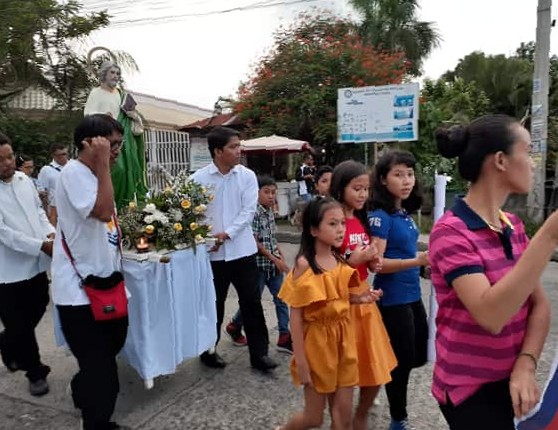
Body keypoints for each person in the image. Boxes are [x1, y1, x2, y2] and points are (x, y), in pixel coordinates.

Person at [429, 114, 555, 429]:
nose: (533, 162)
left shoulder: (513, 225)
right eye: (526, 152)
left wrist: (526, 364)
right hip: (469, 391)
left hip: (512, 378)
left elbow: (538, 304)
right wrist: (550, 236)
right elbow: (491, 314)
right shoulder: (450, 232)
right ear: (500, 160)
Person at [51, 114, 130, 430]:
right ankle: (96, 422)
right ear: (88, 144)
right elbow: (102, 211)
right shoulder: (73, 173)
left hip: (106, 284)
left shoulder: (93, 173)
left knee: (110, 351)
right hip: (80, 293)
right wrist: (102, 165)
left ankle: (83, 393)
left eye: (119, 145)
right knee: (104, 374)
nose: (117, 152)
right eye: (112, 145)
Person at [276, 196, 378, 430]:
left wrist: (358, 298)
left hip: (344, 342)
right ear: (313, 229)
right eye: (332, 224)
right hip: (317, 347)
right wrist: (300, 360)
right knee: (314, 419)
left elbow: (335, 296)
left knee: (342, 418)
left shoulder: (339, 259)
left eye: (342, 223)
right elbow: (297, 313)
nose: (340, 229)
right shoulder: (304, 265)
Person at [191, 126, 278, 372]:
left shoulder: (247, 176)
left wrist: (227, 233)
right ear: (218, 151)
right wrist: (207, 237)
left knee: (252, 303)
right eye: (233, 146)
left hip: (242, 252)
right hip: (213, 256)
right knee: (213, 305)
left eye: (239, 145)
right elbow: (192, 216)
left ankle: (259, 355)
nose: (238, 151)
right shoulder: (198, 180)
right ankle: (209, 350)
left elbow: (248, 211)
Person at [330, 160, 398, 430]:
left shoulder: (360, 219)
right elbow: (331, 252)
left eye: (365, 189)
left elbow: (362, 254)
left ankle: (361, 415)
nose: (362, 194)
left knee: (377, 368)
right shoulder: (332, 216)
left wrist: (372, 262)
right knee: (341, 374)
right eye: (356, 188)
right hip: (341, 299)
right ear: (340, 187)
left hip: (364, 298)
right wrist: (354, 257)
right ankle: (342, 422)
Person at [368, 150, 430, 430]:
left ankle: (379, 376)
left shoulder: (403, 212)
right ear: (383, 180)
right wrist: (417, 260)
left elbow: (405, 253)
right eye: (398, 174)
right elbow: (377, 265)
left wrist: (423, 268)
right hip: (392, 299)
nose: (406, 180)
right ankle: (398, 419)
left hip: (413, 294)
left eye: (410, 174)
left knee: (419, 354)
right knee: (402, 363)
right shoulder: (381, 215)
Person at [0, 132, 54, 397]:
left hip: (36, 265)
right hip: (6, 273)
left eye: (9, 156)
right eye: (1, 160)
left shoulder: (24, 181)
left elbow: (39, 212)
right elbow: (5, 234)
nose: (8, 163)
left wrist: (50, 234)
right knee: (19, 322)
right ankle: (35, 372)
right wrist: (40, 245)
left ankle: (7, 342)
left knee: (40, 304)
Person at [226, 175, 293, 353]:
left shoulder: (270, 211)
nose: (271, 196)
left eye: (273, 193)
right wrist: (274, 259)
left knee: (282, 298)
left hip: (273, 266)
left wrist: (279, 253)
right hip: (259, 266)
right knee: (252, 302)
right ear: (257, 193)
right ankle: (234, 325)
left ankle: (284, 336)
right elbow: (253, 242)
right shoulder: (254, 213)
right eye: (267, 192)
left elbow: (271, 236)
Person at [84, 60, 147, 208]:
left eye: (118, 73)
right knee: (117, 170)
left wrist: (133, 116)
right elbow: (88, 114)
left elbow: (131, 115)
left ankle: (126, 208)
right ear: (103, 74)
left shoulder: (121, 94)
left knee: (127, 172)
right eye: (112, 72)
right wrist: (102, 116)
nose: (115, 76)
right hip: (106, 138)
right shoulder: (96, 93)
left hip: (124, 140)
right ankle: (113, 206)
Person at [37, 142, 69, 225]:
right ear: (53, 155)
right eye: (60, 155)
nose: (64, 157)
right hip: (55, 209)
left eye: (65, 154)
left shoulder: (73, 166)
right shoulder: (46, 170)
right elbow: (42, 191)